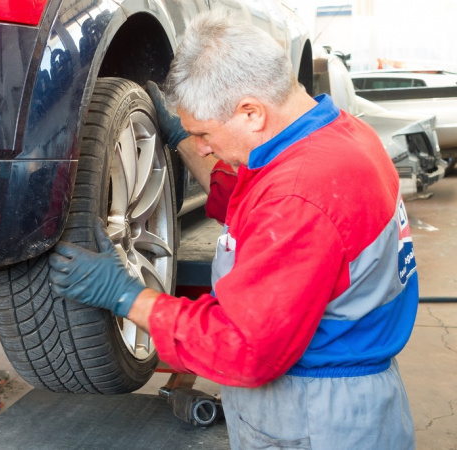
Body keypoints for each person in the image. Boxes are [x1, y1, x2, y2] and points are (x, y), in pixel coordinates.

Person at [48, 10, 417, 450]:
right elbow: (256, 200)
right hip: (342, 398)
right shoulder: (340, 135)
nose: (202, 146)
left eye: (203, 133)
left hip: (317, 419)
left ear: (251, 112)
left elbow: (243, 347)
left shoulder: (301, 197)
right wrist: (182, 138)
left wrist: (128, 296)